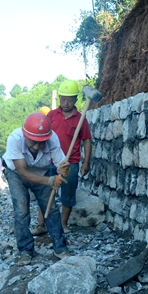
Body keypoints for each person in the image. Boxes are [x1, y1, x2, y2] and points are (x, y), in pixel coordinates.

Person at [2, 112, 71, 266]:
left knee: (51, 208)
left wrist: (64, 169)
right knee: (21, 209)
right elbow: (23, 173)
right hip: (16, 174)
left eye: (41, 142)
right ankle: (25, 250)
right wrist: (50, 180)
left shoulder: (52, 138)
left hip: (41, 171)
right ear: (25, 135)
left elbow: (61, 163)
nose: (37, 146)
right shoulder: (15, 138)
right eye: (33, 142)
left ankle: (60, 248)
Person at [31, 80, 92, 235]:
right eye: (63, 98)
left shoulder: (81, 119)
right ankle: (41, 224)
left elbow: (87, 140)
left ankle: (63, 225)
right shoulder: (51, 115)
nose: (66, 102)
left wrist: (86, 162)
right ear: (59, 98)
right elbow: (41, 136)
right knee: (44, 191)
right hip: (49, 161)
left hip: (71, 162)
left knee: (68, 194)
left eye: (70, 99)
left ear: (75, 100)